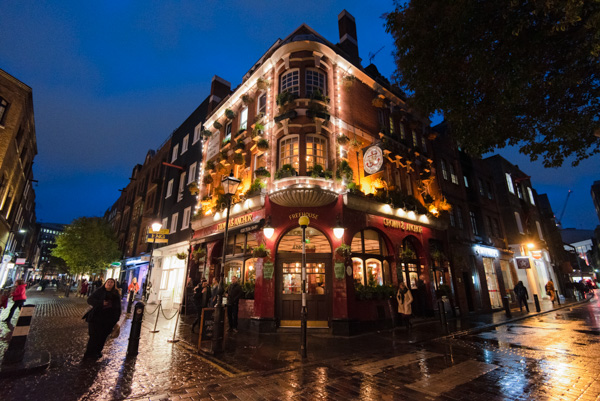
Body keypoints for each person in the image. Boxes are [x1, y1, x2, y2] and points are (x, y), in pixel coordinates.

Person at [83, 278, 121, 360]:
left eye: (111, 282)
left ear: (114, 285)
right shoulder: (99, 291)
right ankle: (89, 354)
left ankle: (97, 352)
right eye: (108, 282)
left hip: (108, 320)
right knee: (93, 336)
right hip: (95, 318)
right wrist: (101, 303)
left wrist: (115, 319)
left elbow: (118, 308)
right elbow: (90, 300)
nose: (109, 283)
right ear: (105, 283)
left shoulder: (115, 294)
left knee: (102, 337)